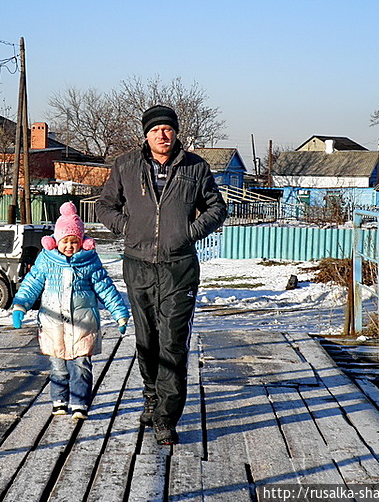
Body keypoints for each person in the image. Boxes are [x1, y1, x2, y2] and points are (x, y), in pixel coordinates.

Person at [95, 104, 226, 445]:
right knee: (147, 339)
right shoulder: (126, 165)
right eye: (155, 130)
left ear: (176, 132)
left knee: (173, 343)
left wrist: (189, 232)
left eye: (167, 129)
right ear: (146, 134)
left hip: (179, 268)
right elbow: (105, 205)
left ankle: (166, 417)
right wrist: (128, 229)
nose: (162, 135)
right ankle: (151, 394)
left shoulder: (195, 167)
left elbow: (217, 207)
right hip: (137, 265)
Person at [11, 201, 130, 420]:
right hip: (53, 324)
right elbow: (32, 282)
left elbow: (106, 289)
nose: (69, 246)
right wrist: (20, 305)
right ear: (56, 241)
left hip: (83, 324)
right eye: (65, 241)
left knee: (82, 366)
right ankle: (59, 400)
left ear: (81, 241)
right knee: (58, 367)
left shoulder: (90, 261)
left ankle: (80, 404)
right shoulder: (47, 260)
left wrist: (120, 314)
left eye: (74, 241)